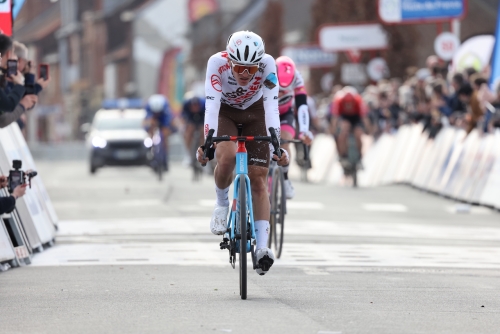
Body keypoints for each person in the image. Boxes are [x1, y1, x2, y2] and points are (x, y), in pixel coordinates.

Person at [196, 30, 289, 275]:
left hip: (255, 113)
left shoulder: (267, 64)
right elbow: (212, 104)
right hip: (224, 112)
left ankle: (262, 249)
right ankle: (221, 203)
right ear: (229, 61)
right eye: (239, 68)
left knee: (259, 177)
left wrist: (275, 145)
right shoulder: (216, 63)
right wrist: (208, 142)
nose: (245, 74)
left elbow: (271, 106)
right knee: (226, 157)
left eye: (251, 69)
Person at [275, 56, 313, 199]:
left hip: (285, 114)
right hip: (266, 113)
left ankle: (285, 179)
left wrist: (304, 131)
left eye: (284, 90)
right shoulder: (266, 72)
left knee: (285, 141)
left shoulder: (297, 77)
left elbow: (302, 106)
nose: (281, 93)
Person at [330, 86, 369, 162]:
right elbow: (335, 118)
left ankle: (360, 155)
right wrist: (334, 129)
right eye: (346, 104)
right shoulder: (338, 100)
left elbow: (364, 117)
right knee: (343, 132)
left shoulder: (358, 100)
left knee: (358, 133)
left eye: (351, 103)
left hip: (355, 117)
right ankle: (343, 155)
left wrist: (367, 129)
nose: (349, 106)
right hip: (344, 116)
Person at [144, 94, 172, 169]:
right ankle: (151, 150)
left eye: (158, 112)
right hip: (152, 117)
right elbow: (146, 121)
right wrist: (149, 128)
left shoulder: (165, 107)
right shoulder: (149, 107)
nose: (157, 114)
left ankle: (165, 155)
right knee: (150, 130)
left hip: (163, 117)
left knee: (165, 135)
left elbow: (168, 120)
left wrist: (166, 130)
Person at [181, 93, 205, 163]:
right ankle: (188, 154)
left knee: (203, 132)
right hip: (190, 117)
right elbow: (183, 117)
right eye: (193, 107)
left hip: (202, 117)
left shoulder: (204, 104)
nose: (195, 108)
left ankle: (203, 152)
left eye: (196, 106)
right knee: (189, 131)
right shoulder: (186, 105)